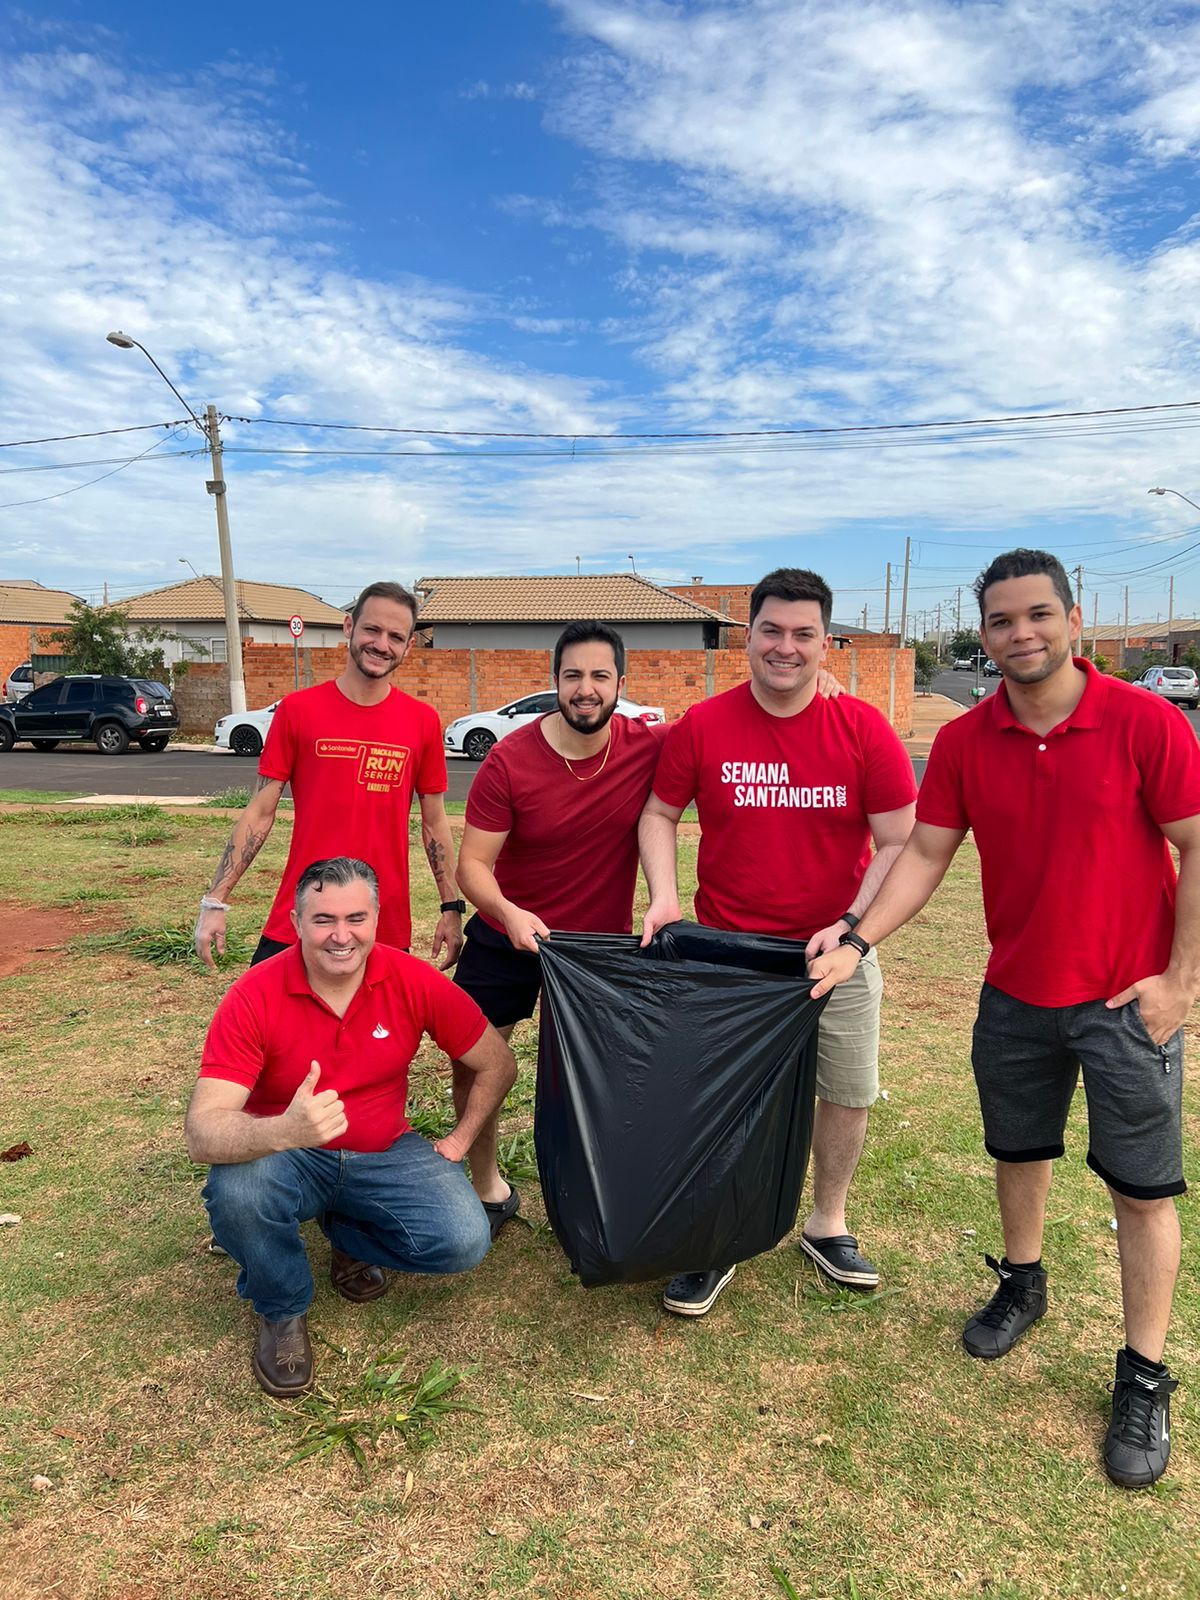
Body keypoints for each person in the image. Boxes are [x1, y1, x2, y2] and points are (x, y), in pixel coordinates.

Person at [809, 548, 1199, 1489]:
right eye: (1000, 621)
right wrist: (858, 938)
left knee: (1141, 1191)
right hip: (1017, 992)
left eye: (1037, 615)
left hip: (1123, 1000)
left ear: (1071, 619)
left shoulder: (1146, 721)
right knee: (1017, 1152)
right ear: (981, 635)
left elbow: (1196, 844)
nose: (1020, 633)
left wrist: (1182, 983)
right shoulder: (967, 741)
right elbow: (926, 857)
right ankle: (1023, 1282)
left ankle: (1143, 1373)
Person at [639, 567, 917, 1317]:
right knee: (725, 1096)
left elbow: (899, 839)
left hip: (837, 950)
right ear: (749, 636)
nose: (785, 648)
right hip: (730, 949)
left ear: (827, 644)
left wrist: (856, 924)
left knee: (846, 1090)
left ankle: (828, 1223)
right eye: (771, 631)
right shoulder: (704, 724)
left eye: (803, 635)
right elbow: (660, 813)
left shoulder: (862, 728)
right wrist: (665, 896)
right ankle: (719, 1237)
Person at [185, 856, 516, 1397]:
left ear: (377, 918)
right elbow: (202, 1132)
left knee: (463, 1241)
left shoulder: (410, 978)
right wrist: (285, 1130)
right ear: (295, 924)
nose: (341, 936)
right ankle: (282, 1310)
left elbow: (497, 1063)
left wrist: (458, 1141)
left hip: (384, 1148)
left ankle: (346, 1234)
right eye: (323, 920)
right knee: (239, 1190)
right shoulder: (254, 994)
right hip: (287, 1154)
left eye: (355, 919)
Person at [451, 620, 666, 1236]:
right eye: (573, 675)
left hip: (596, 947)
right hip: (508, 933)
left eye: (600, 675)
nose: (586, 688)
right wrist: (510, 916)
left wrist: (824, 680)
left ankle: (588, 1194)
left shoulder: (647, 744)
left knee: (595, 1079)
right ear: (555, 683)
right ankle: (487, 1187)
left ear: (621, 683)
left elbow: (732, 727)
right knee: (474, 1061)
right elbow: (473, 865)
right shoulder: (510, 760)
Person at [194, 581, 465, 972]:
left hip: (381, 924)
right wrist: (214, 901)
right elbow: (260, 812)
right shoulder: (298, 711)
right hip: (303, 916)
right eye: (372, 629)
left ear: (408, 647)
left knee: (379, 1033)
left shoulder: (422, 722)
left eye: (395, 637)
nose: (381, 644)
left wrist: (452, 908)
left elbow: (435, 822)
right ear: (349, 627)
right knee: (267, 1028)